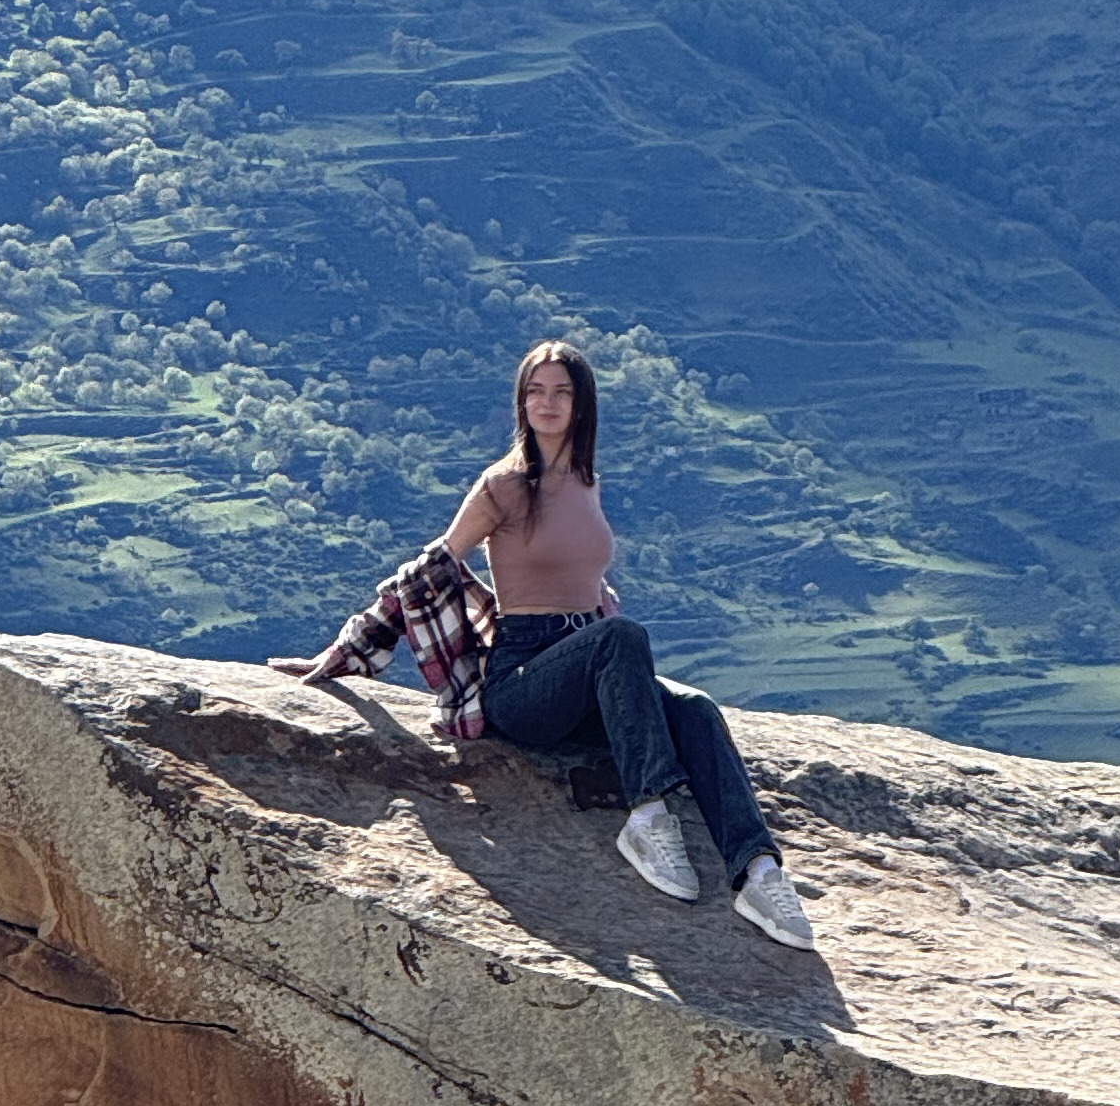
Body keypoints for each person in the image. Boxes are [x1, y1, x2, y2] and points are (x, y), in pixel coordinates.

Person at [277, 338, 818, 948]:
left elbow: (583, 573)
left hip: (589, 668)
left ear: (581, 404)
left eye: (561, 391)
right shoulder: (502, 486)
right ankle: (647, 816)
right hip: (523, 682)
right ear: (522, 403)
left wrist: (600, 614)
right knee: (622, 638)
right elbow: (425, 572)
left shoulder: (586, 481)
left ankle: (758, 874)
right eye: (535, 392)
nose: (547, 403)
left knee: (694, 710)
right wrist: (346, 650)